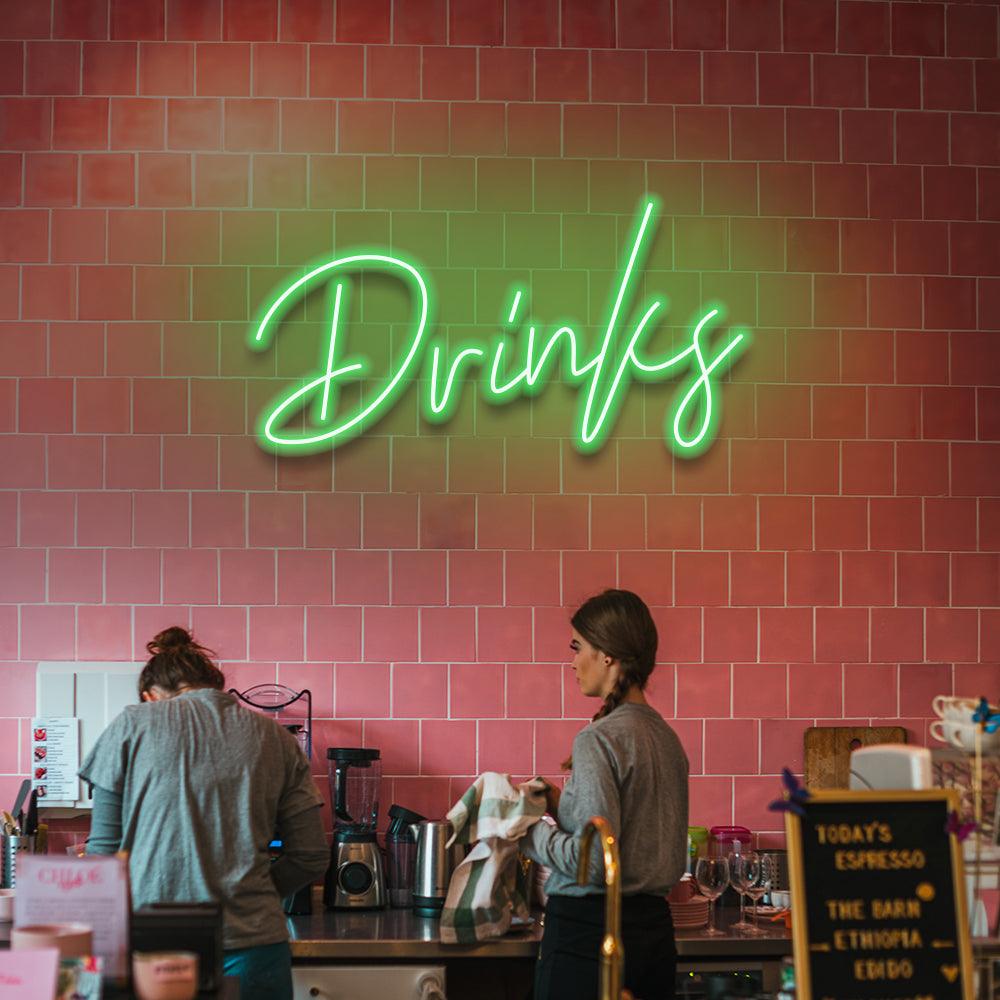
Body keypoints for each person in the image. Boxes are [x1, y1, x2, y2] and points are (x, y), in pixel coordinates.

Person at [80, 627, 328, 1000]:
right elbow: (311, 856)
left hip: (153, 949)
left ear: (150, 697)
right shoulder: (277, 738)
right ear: (215, 685)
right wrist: (254, 892)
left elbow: (102, 855)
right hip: (254, 944)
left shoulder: (130, 726)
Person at [522, 589, 689, 1000]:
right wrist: (560, 804)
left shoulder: (598, 739)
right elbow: (626, 834)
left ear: (608, 655)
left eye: (578, 647)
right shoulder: (667, 739)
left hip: (589, 937)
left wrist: (526, 830)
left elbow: (596, 863)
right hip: (654, 938)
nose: (573, 661)